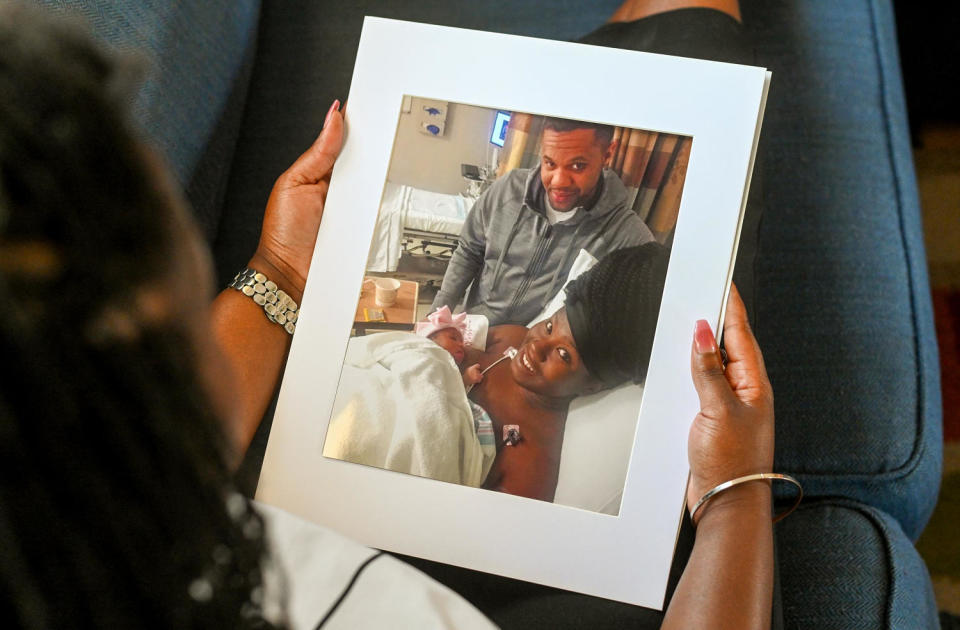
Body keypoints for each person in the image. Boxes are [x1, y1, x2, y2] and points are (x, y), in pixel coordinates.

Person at [1, 1, 780, 629]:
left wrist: (282, 269)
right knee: (697, 34)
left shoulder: (80, 533)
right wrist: (738, 494)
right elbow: (468, 287)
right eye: (179, 234)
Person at [468, 243, 670, 500]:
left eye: (564, 355)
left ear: (591, 387)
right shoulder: (510, 337)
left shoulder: (529, 463)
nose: (537, 346)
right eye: (550, 326)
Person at [429, 117, 654, 327]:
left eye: (577, 166)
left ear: (607, 154)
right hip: (472, 329)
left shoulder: (626, 236)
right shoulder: (507, 190)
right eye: (550, 163)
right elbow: (468, 251)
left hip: (535, 356)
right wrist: (435, 318)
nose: (559, 182)